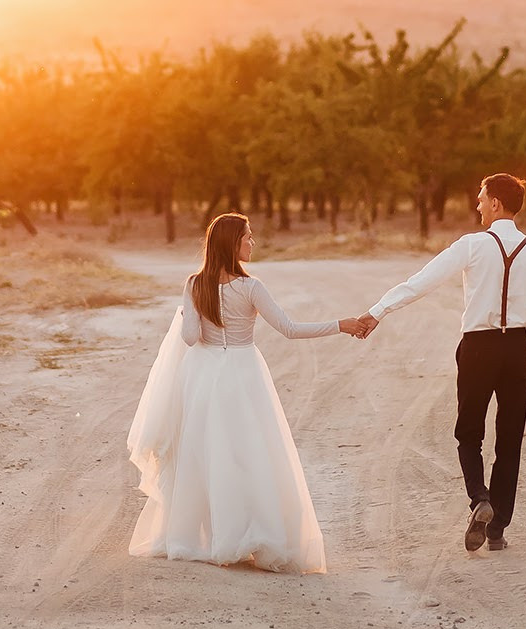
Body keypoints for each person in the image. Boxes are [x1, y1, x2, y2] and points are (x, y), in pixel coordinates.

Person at [126, 212, 368, 574]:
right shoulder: (252, 288)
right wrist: (341, 325)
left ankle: (205, 536)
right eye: (248, 237)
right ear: (232, 244)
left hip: (204, 377)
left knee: (206, 456)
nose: (253, 243)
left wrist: (189, 313)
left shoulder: (194, 285)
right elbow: (289, 329)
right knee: (247, 454)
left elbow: (190, 338)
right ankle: (247, 534)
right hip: (242, 374)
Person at [352, 172, 526, 553]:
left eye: (481, 198)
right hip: (517, 348)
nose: (477, 204)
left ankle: (479, 498)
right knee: (510, 437)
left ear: (496, 203)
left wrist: (377, 312)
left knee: (469, 432)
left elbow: (421, 281)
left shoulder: (472, 245)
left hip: (478, 347)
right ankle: (497, 527)